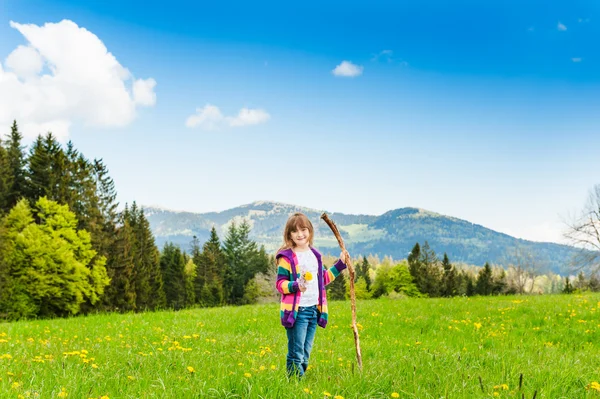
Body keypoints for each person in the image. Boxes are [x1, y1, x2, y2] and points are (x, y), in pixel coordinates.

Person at [275, 212, 349, 378]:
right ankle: (294, 386)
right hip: (297, 312)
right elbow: (280, 284)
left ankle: (296, 382)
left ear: (310, 231)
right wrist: (295, 285)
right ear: (289, 235)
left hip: (314, 310)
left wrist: (340, 264)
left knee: (305, 353)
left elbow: (322, 279)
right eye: (295, 231)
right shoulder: (286, 258)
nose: (300, 234)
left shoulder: (315, 255)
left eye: (303, 229)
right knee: (296, 353)